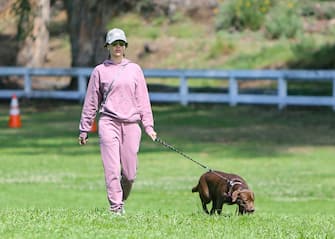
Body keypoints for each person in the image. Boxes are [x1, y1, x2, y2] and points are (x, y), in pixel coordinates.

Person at [78, 28, 157, 215]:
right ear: (108, 47)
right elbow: (91, 101)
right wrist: (84, 128)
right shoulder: (99, 71)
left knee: (129, 174)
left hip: (131, 125)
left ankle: (120, 199)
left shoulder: (135, 70)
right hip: (108, 123)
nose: (118, 47)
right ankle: (116, 208)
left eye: (121, 44)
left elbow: (143, 100)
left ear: (126, 46)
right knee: (112, 169)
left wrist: (148, 126)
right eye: (114, 44)